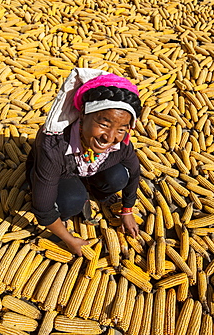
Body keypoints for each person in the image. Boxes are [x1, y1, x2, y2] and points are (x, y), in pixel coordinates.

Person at [26, 68, 142, 256]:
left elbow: (134, 172)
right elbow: (42, 209)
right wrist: (69, 239)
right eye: (103, 124)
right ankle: (76, 195)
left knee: (120, 176)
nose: (110, 137)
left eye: (121, 129)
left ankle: (94, 191)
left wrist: (127, 210)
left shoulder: (120, 143)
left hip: (88, 168)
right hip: (60, 171)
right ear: (82, 116)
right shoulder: (54, 146)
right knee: (71, 202)